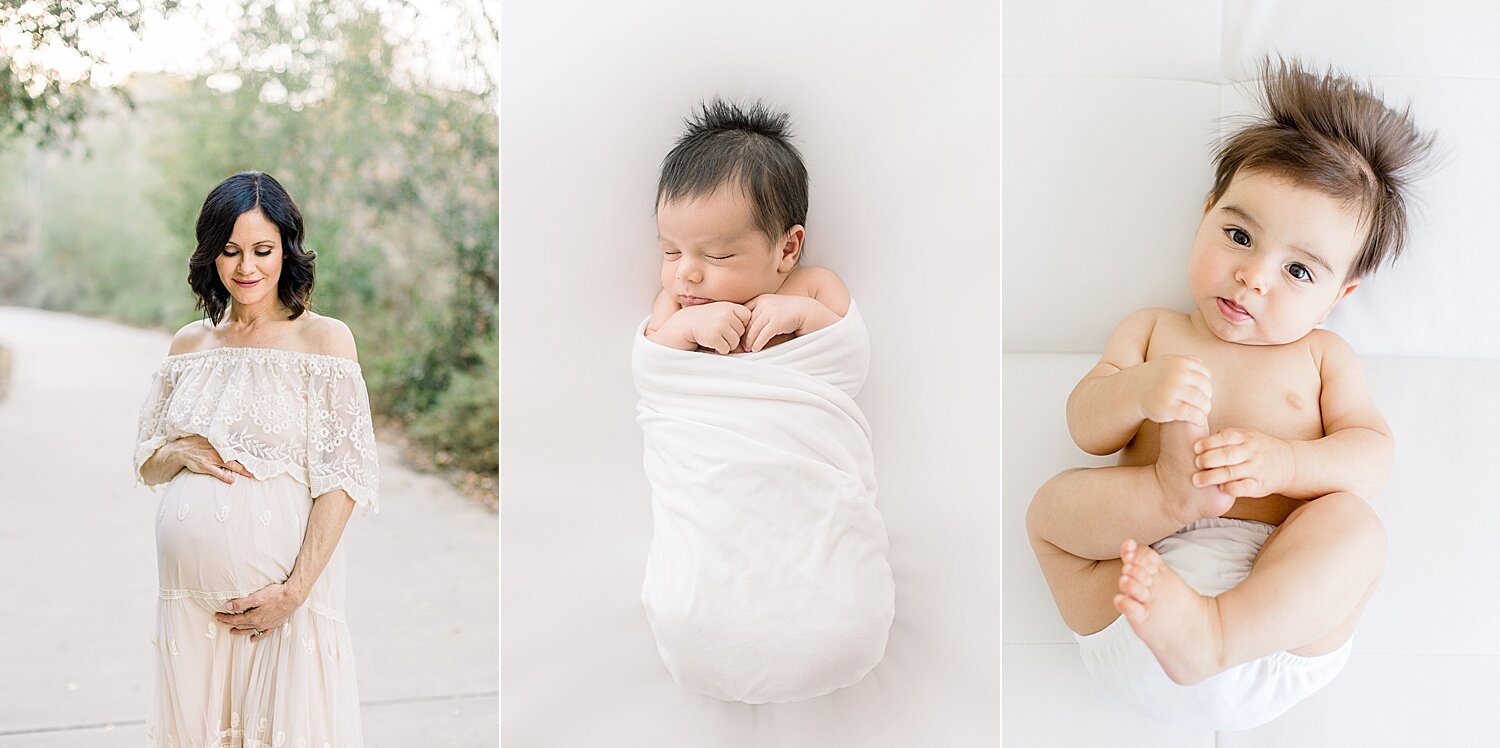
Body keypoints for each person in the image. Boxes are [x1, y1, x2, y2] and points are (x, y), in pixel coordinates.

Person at [1025, 57, 1434, 731]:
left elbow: (1372, 459)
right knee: (1049, 511)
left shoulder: (1322, 357)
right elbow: (1085, 426)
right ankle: (1171, 493)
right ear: (1205, 214)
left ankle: (1216, 632)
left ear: (1339, 297)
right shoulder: (1153, 330)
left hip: (1271, 616)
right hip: (1136, 589)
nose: (1252, 277)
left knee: (1357, 531)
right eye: (1238, 235)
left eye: (1298, 269)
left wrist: (1288, 464)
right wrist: (1138, 391)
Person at [134, 171, 379, 746]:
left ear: (287, 252)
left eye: (262, 250)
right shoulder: (188, 345)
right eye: (231, 250)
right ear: (210, 256)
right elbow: (148, 462)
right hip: (188, 611)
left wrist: (294, 593)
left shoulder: (324, 341)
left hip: (283, 608)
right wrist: (179, 449)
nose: (247, 267)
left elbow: (341, 479)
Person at [645, 98, 849, 353]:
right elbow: (650, 363)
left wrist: (804, 316)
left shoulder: (812, 286)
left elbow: (850, 349)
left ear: (786, 249)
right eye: (671, 252)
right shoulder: (675, 306)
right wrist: (686, 327)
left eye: (716, 255)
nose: (684, 273)